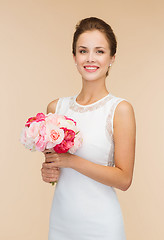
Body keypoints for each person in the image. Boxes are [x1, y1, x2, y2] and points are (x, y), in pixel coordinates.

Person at [41, 17, 136, 240]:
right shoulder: (56, 107)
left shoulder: (119, 110)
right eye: (83, 51)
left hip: (101, 225)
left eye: (99, 51)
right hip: (61, 222)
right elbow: (53, 166)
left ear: (112, 58)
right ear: (74, 56)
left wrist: (71, 161)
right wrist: (48, 171)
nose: (90, 59)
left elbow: (124, 180)